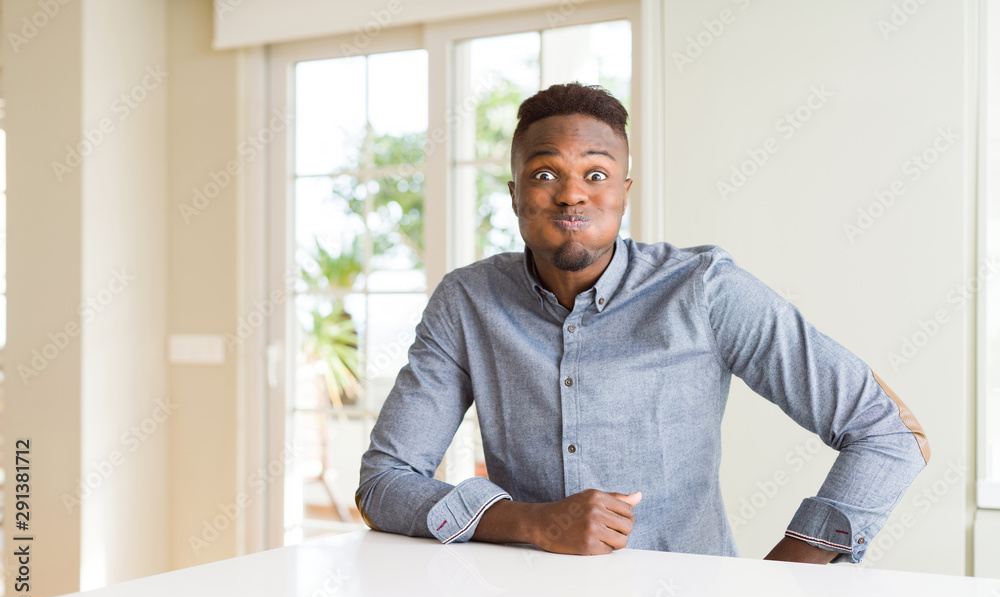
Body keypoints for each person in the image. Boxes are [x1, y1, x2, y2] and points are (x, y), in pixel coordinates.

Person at [355, 82, 929, 563]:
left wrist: (779, 582)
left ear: (624, 194)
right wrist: (530, 522)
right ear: (515, 195)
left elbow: (889, 435)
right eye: (546, 174)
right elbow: (383, 483)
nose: (572, 194)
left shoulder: (705, 289)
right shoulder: (467, 301)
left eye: (597, 174)